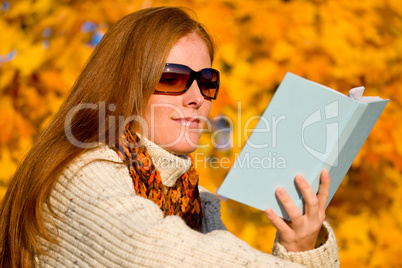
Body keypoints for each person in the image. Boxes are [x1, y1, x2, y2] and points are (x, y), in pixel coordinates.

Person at [0, 6, 339, 267]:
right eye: (173, 78)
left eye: (207, 81)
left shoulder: (195, 201)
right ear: (126, 85)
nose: (197, 97)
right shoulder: (82, 173)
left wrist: (300, 247)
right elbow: (162, 254)